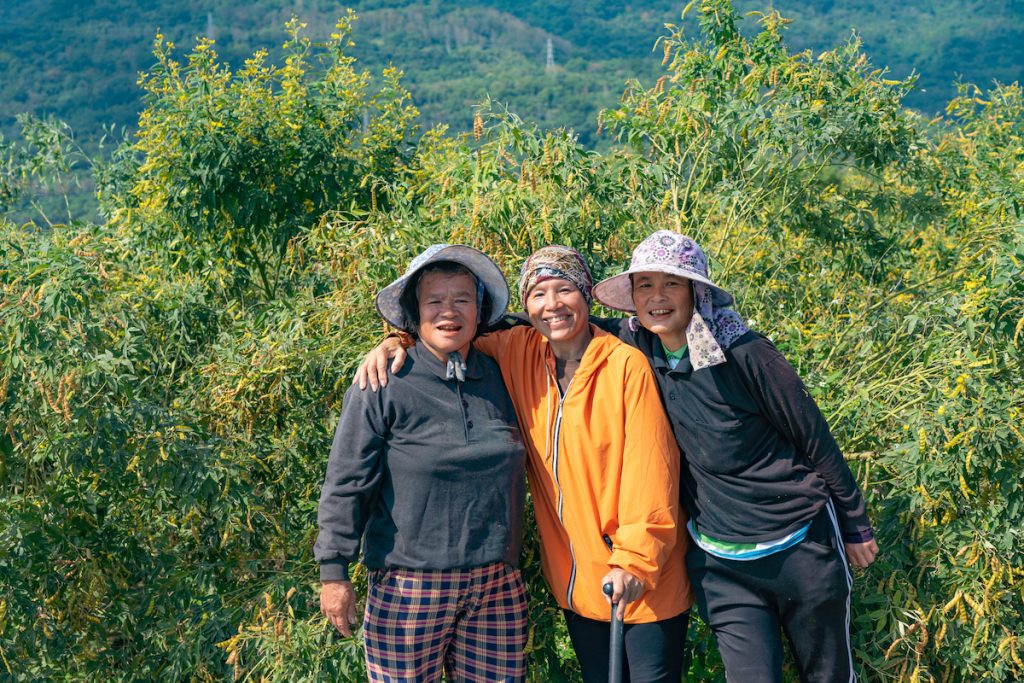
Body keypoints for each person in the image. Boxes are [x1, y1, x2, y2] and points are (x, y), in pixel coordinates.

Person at [358, 245, 693, 683]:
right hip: (580, 582)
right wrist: (395, 341)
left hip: (642, 577)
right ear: (525, 306)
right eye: (538, 294)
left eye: (565, 290)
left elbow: (652, 472)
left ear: (586, 295)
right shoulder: (517, 351)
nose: (552, 305)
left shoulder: (624, 364)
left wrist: (633, 562)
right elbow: (448, 331)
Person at [590, 229, 880, 683]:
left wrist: (855, 522)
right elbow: (566, 325)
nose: (657, 298)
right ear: (631, 297)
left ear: (697, 292)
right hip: (721, 561)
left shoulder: (745, 353)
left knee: (827, 676)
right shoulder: (638, 347)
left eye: (672, 284)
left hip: (801, 545)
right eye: (644, 284)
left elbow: (814, 438)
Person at [315, 244, 529, 682]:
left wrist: (396, 336)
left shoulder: (503, 373)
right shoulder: (384, 380)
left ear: (480, 309)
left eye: (463, 300)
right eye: (434, 301)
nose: (449, 312)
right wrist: (334, 572)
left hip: (496, 585)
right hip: (409, 586)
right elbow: (347, 480)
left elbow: (550, 327)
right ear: (414, 313)